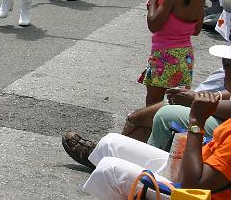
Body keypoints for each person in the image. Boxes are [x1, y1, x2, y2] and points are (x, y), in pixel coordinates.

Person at [82, 44, 231, 199]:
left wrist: (196, 122)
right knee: (110, 142)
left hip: (191, 189)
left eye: (226, 64)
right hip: (194, 167)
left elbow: (192, 187)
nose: (223, 69)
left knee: (109, 170)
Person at [140, 0, 207, 106]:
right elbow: (196, 30)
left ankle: (151, 131)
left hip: (164, 56)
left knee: (153, 104)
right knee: (177, 104)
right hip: (185, 56)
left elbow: (153, 25)